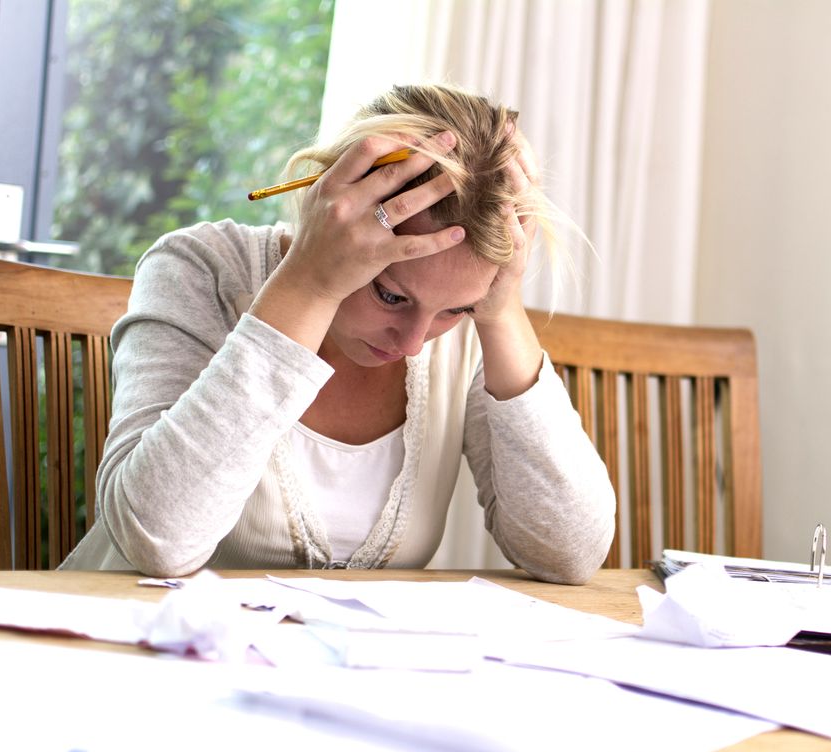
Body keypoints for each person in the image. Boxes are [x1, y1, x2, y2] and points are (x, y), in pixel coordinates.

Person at [59, 83, 615, 584]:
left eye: (456, 311)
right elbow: (158, 540)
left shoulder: (472, 327)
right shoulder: (201, 267)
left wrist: (497, 313)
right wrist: (308, 285)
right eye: (391, 296)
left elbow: (568, 554)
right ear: (332, 211)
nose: (413, 343)